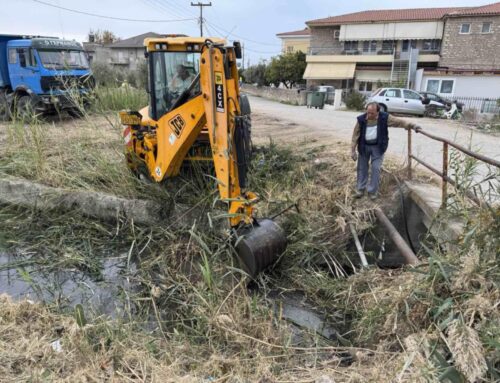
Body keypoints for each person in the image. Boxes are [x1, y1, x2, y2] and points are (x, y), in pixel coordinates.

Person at [351, 102, 420, 200]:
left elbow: (399, 122)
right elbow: (355, 135)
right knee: (362, 168)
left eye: (372, 113)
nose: (369, 115)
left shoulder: (385, 118)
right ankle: (360, 190)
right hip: (364, 147)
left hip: (378, 147)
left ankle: (372, 192)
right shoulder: (361, 119)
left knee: (376, 168)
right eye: (368, 112)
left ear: (378, 112)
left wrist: (413, 125)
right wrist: (353, 150)